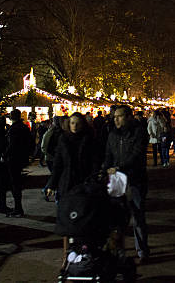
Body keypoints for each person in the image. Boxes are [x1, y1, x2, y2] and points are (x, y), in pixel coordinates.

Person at [46, 112, 99, 265]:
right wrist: (52, 184)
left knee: (83, 219)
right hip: (67, 184)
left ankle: (84, 251)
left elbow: (95, 162)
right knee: (67, 220)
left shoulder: (89, 140)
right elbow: (58, 164)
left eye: (77, 123)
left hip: (84, 183)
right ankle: (67, 254)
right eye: (72, 123)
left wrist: (94, 180)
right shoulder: (63, 140)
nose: (74, 126)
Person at [103, 105, 150, 264]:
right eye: (114, 116)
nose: (116, 119)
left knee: (137, 217)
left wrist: (120, 167)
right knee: (117, 218)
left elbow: (137, 154)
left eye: (120, 116)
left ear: (129, 117)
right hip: (117, 180)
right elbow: (108, 155)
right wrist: (106, 169)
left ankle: (142, 250)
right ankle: (118, 250)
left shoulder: (138, 132)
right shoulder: (112, 135)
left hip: (135, 179)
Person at [5, 109, 32, 217]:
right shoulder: (24, 127)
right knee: (17, 183)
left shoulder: (14, 129)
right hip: (21, 158)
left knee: (15, 184)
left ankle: (18, 209)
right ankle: (18, 208)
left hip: (14, 159)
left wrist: (5, 155)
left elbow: (12, 145)